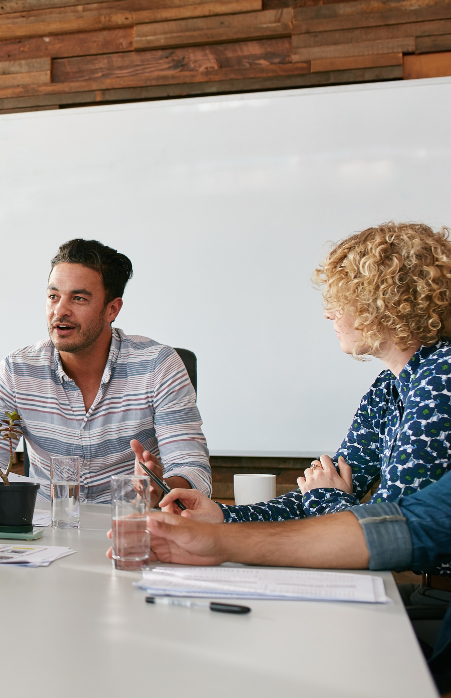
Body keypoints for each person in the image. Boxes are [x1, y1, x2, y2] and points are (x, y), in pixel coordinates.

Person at [158, 223, 451, 573]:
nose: (329, 313)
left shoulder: (442, 379)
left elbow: (384, 533)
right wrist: (223, 515)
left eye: (342, 300)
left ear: (384, 303)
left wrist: (326, 495)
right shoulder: (387, 387)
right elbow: (320, 498)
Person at [141, 473, 451, 698]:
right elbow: (407, 520)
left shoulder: (436, 388)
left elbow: (405, 524)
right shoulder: (386, 388)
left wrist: (327, 496)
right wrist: (223, 527)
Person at [0, 238, 211, 504]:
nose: (60, 310)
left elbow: (193, 471)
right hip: (50, 535)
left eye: (78, 298)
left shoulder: (158, 365)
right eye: (53, 296)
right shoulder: (16, 371)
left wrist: (160, 488)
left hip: (131, 531)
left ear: (112, 309)